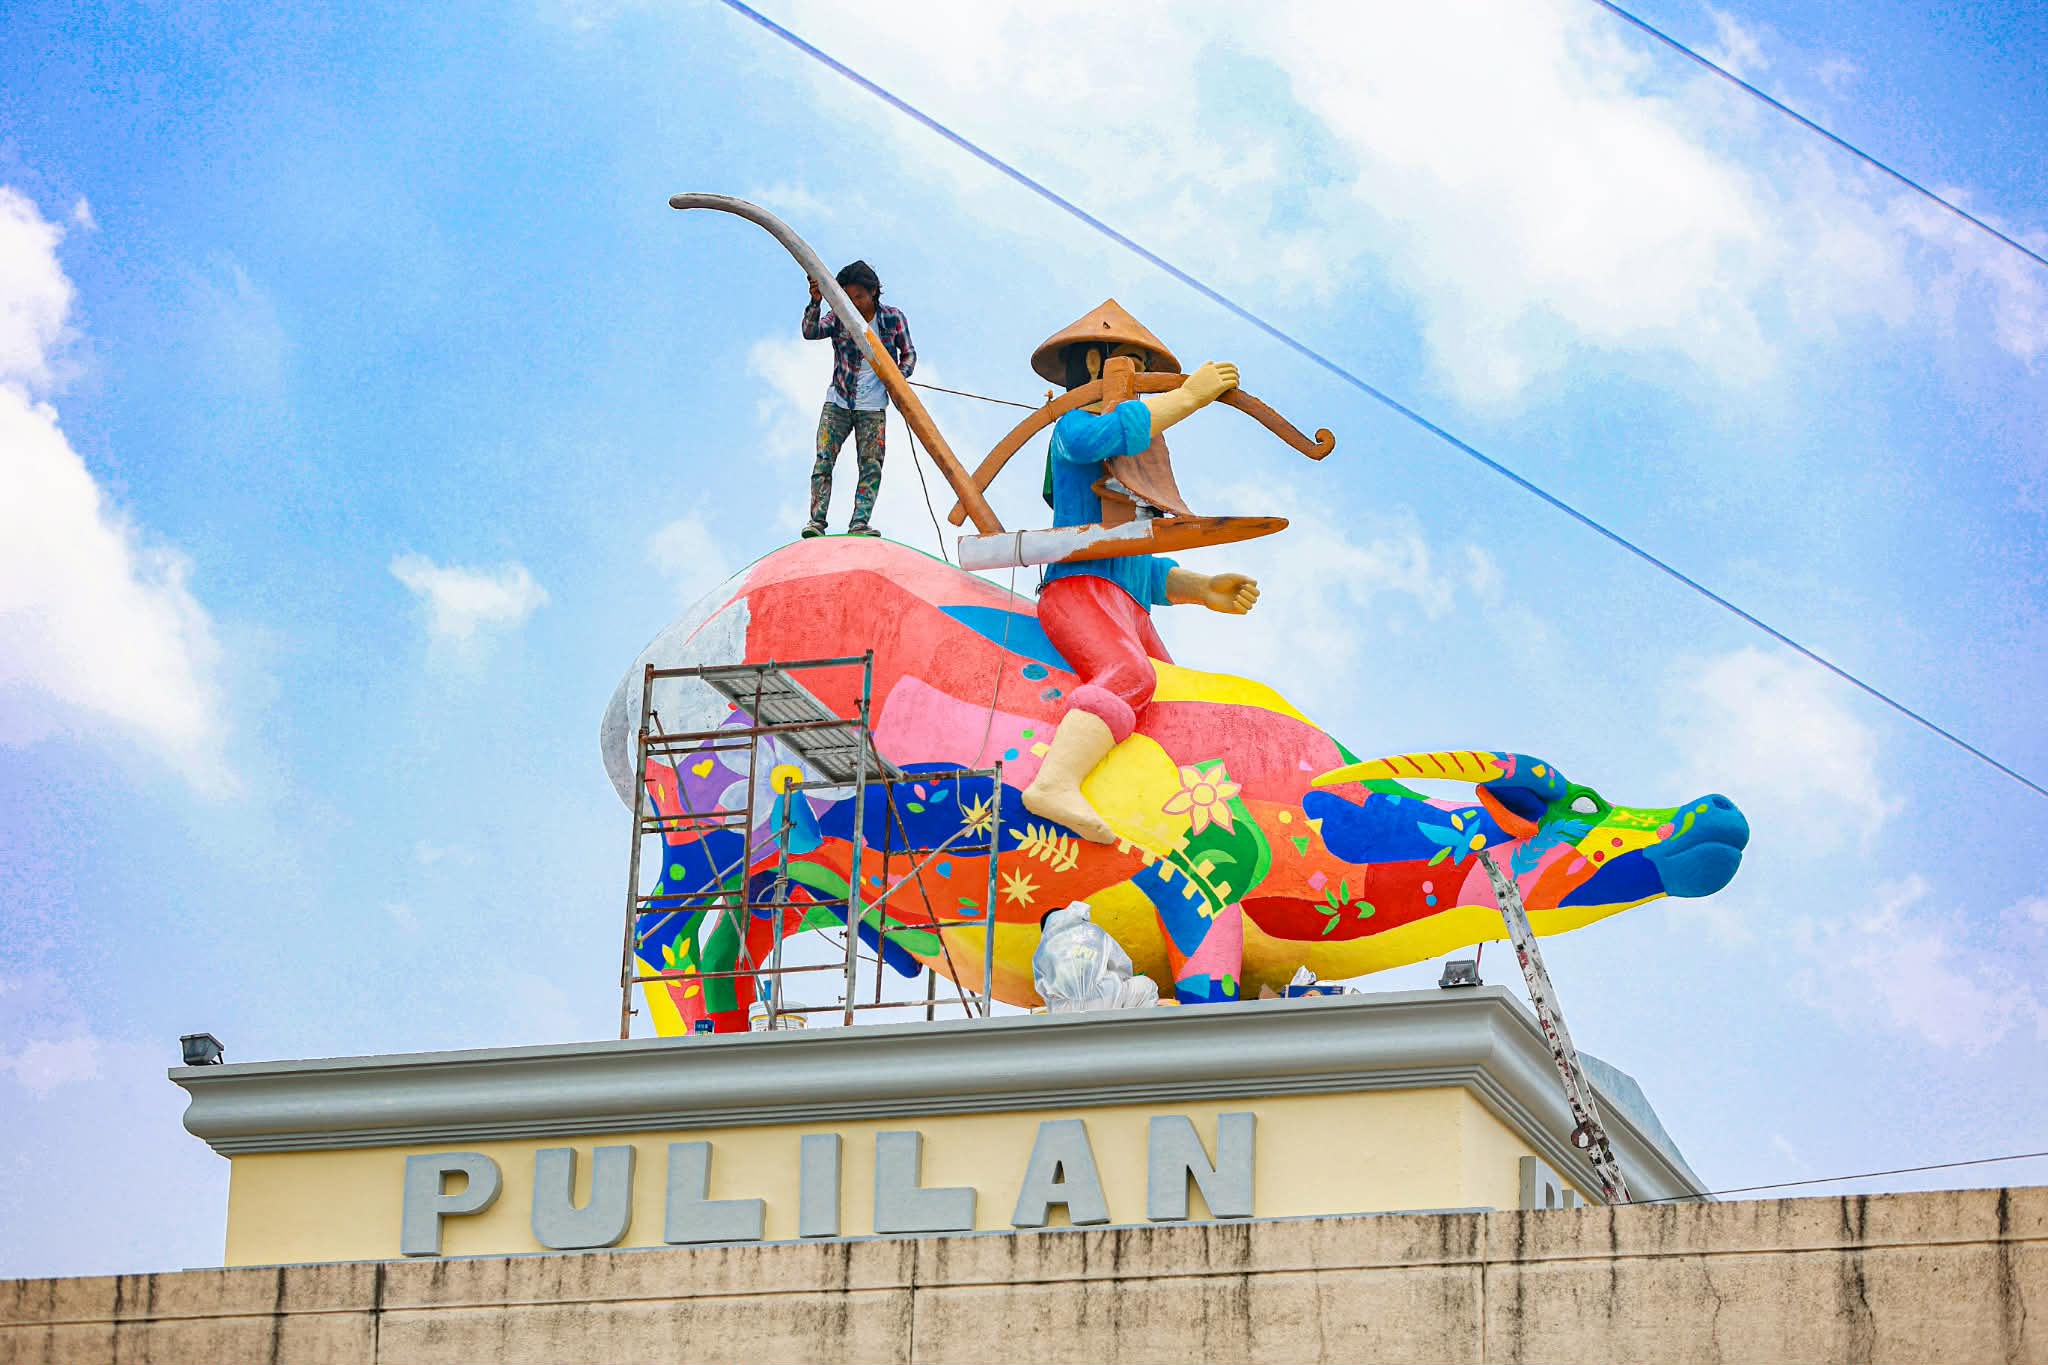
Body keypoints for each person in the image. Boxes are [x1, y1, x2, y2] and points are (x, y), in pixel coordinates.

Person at [1019, 301, 1261, 845]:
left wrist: (1198, 589)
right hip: (1080, 592)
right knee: (1132, 676)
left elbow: (1136, 563)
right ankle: (1055, 782)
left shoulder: (1135, 454)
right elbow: (1106, 437)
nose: (1136, 382)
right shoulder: (1075, 430)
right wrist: (1188, 397)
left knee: (1176, 695)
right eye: (1126, 365)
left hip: (1128, 607)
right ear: (1093, 362)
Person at [799, 260, 915, 539]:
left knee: (871, 465)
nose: (855, 304)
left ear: (874, 292)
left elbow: (909, 354)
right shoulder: (839, 315)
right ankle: (816, 522)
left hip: (872, 407)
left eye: (860, 297)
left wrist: (897, 377)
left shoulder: (893, 318)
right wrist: (815, 302)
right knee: (824, 461)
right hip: (838, 400)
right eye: (848, 298)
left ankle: (859, 523)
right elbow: (810, 332)